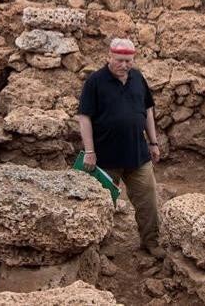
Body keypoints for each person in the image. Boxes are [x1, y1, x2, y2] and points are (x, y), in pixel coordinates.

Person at [76, 38, 164, 259]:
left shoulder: (138, 78)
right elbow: (84, 117)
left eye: (128, 61)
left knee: (148, 200)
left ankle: (150, 242)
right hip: (105, 158)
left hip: (138, 154)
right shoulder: (95, 82)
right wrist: (89, 151)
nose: (124, 65)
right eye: (119, 60)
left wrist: (153, 142)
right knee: (102, 204)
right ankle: (100, 247)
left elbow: (148, 110)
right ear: (109, 57)